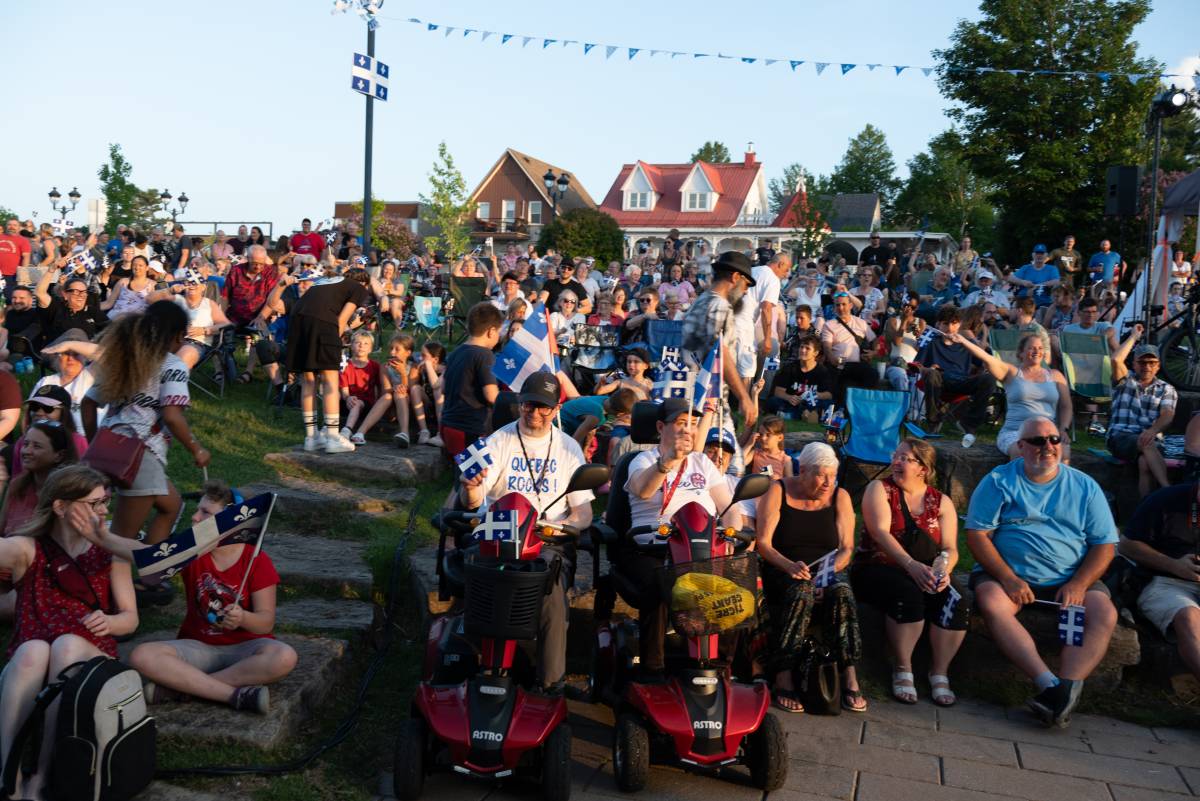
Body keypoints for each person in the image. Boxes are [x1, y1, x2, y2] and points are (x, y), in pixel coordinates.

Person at [82, 479, 297, 714]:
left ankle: (183, 689)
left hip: (245, 650)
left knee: (284, 656)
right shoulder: (193, 552)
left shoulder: (256, 560)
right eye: (197, 510)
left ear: (231, 520)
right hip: (198, 648)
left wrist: (243, 618)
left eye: (205, 512)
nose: (194, 517)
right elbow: (147, 554)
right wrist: (102, 537)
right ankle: (228, 693)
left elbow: (265, 622)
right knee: (142, 655)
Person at [965, 416, 1119, 728]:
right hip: (1007, 574)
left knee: (1104, 613)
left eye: (1054, 439)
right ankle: (1048, 684)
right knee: (992, 602)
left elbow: (1105, 544)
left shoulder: (1085, 486)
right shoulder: (999, 481)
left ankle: (1064, 690)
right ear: (1021, 446)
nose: (1047, 446)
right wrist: (1008, 578)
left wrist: (1079, 583)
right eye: (1037, 441)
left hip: (1071, 575)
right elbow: (977, 535)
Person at [0, 466, 137, 800]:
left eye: (105, 501)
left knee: (65, 646)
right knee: (33, 651)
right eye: (93, 503)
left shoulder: (111, 551)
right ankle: (8, 773)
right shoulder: (28, 548)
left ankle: (42, 775)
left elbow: (131, 618)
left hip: (90, 654)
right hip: (32, 656)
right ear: (61, 507)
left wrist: (111, 623)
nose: (103, 511)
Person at [458, 372, 594, 692]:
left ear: (556, 409)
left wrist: (566, 528)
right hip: (499, 534)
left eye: (544, 407)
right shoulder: (497, 441)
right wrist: (470, 488)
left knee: (551, 589)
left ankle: (550, 683)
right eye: (529, 405)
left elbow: (584, 513)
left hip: (546, 540)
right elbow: (473, 501)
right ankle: (478, 666)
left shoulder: (569, 448)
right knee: (482, 574)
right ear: (520, 403)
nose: (535, 413)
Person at [620, 399, 741, 678]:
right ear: (661, 427)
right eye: (681, 423)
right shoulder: (643, 460)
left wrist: (732, 537)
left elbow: (730, 508)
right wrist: (668, 460)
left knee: (735, 586)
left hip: (701, 548)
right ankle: (653, 670)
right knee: (661, 583)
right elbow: (643, 489)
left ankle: (719, 667)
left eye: (693, 424)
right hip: (655, 549)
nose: (688, 430)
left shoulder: (702, 463)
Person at [83, 301, 211, 559]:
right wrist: (197, 449)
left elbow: (87, 404)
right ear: (178, 336)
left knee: (171, 505)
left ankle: (152, 573)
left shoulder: (124, 360)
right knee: (119, 544)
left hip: (107, 448)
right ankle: (112, 579)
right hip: (142, 455)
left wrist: (94, 442)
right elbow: (172, 416)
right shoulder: (173, 365)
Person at [852, 438, 968, 706]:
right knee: (908, 594)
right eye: (896, 455)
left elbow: (950, 548)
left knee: (957, 599)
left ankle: (939, 672)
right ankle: (903, 667)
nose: (896, 461)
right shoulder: (880, 489)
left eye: (905, 458)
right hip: (877, 566)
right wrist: (911, 566)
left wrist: (944, 569)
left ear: (923, 469)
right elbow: (880, 533)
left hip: (925, 567)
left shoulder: (941, 502)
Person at [756, 443, 865, 713]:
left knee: (842, 592)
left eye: (833, 475)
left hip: (828, 569)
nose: (828, 483)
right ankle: (783, 674)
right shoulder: (778, 491)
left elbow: (847, 548)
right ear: (803, 470)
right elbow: (764, 544)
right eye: (821, 475)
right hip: (785, 567)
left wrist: (825, 576)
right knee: (801, 591)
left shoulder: (839, 496)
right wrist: (789, 566)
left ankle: (849, 673)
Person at [1119, 481, 1200, 685]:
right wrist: (1174, 565)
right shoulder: (1165, 499)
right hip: (1167, 582)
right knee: (1188, 618)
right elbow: (1126, 545)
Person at [285, 267, 372, 454]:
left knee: (308, 379)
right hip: (322, 323)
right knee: (330, 378)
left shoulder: (326, 283)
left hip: (298, 320)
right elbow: (341, 321)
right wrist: (336, 342)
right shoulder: (358, 288)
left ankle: (311, 438)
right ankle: (333, 437)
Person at [948, 331, 1071, 460]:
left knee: (1064, 454)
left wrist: (1063, 429)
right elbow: (986, 357)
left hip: (1047, 433)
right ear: (1021, 353)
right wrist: (963, 341)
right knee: (1022, 452)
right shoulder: (1011, 373)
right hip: (1015, 432)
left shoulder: (1055, 375)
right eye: (1031, 348)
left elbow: (1066, 406)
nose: (1037, 351)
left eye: (1040, 348)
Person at [680, 251, 759, 426]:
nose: (746, 291)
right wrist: (744, 397)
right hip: (710, 401)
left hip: (694, 396)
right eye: (746, 284)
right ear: (735, 277)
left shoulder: (700, 301)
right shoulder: (720, 305)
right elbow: (720, 354)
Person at [912, 306, 993, 448]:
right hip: (939, 381)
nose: (950, 328)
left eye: (954, 323)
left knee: (989, 379)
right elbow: (917, 365)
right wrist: (929, 369)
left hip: (962, 381)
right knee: (932, 374)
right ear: (939, 324)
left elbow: (983, 363)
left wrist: (983, 370)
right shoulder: (932, 342)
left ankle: (968, 423)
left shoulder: (966, 344)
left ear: (959, 324)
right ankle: (933, 421)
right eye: (945, 323)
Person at [1107, 343, 1177, 499]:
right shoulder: (1124, 380)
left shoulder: (1167, 389)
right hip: (1121, 437)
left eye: (1152, 363)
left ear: (1158, 366)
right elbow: (1116, 360)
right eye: (1142, 362)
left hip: (1151, 439)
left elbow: (1168, 415)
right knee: (1146, 442)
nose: (1147, 366)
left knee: (1145, 463)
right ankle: (1168, 491)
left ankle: (1145, 508)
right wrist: (1133, 336)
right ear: (1134, 364)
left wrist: (1152, 430)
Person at [439, 302, 502, 457]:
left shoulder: (456, 352)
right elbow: (491, 395)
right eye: (499, 332)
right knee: (475, 472)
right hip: (470, 428)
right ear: (491, 331)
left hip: (448, 424)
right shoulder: (485, 355)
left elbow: (442, 388)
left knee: (459, 468)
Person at [0, 419, 80, 537]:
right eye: (26, 444)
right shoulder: (17, 486)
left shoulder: (70, 495)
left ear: (59, 455)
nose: (26, 451)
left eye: (36, 446)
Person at [820, 291, 878, 403]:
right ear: (834, 307)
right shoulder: (829, 325)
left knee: (872, 374)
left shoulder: (861, 323)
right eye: (838, 305)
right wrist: (833, 359)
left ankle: (863, 403)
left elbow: (875, 340)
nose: (841, 308)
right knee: (838, 379)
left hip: (857, 363)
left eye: (844, 304)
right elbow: (827, 348)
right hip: (839, 364)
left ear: (850, 305)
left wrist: (874, 352)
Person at [169, 268, 232, 370]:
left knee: (182, 359)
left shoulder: (209, 304)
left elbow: (226, 324)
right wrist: (170, 290)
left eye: (195, 283)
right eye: (188, 283)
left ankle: (174, 376)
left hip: (195, 343)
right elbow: (150, 298)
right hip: (172, 340)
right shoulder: (176, 299)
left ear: (203, 287)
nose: (192, 286)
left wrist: (204, 330)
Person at [338, 330, 387, 445]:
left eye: (366, 344)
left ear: (370, 349)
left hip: (366, 404)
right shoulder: (345, 365)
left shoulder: (375, 366)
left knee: (358, 403)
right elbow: (344, 389)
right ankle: (329, 426)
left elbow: (380, 388)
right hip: (347, 401)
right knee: (349, 399)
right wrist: (348, 398)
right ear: (351, 346)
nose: (361, 346)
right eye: (358, 343)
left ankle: (347, 430)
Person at [769, 333, 834, 420]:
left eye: (807, 348)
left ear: (815, 353)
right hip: (792, 402)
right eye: (801, 347)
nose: (803, 350)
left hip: (811, 401)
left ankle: (799, 414)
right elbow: (778, 391)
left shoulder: (822, 371)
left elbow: (829, 395)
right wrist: (789, 397)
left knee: (828, 403)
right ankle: (804, 415)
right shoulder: (790, 368)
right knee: (773, 401)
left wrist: (813, 395)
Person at [35, 271, 108, 347]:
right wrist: (51, 270)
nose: (81, 295)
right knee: (75, 332)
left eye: (84, 292)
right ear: (65, 294)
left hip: (84, 351)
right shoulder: (57, 307)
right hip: (57, 350)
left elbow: (110, 330)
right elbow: (39, 293)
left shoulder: (93, 311)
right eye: (75, 291)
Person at [882, 296, 926, 392]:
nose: (909, 309)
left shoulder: (921, 322)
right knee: (900, 377)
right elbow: (897, 343)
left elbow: (920, 349)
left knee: (919, 383)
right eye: (906, 305)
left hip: (913, 366)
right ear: (902, 305)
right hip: (896, 364)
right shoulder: (892, 321)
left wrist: (918, 336)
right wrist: (904, 321)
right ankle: (904, 400)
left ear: (916, 308)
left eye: (912, 307)